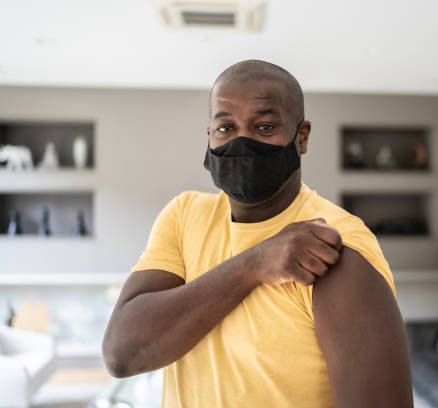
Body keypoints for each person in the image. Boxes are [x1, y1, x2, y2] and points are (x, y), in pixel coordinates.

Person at [102, 60, 413, 407]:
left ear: (302, 136)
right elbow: (121, 353)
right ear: (209, 136)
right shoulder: (184, 215)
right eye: (225, 128)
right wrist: (254, 264)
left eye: (264, 127)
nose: (241, 141)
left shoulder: (334, 245)